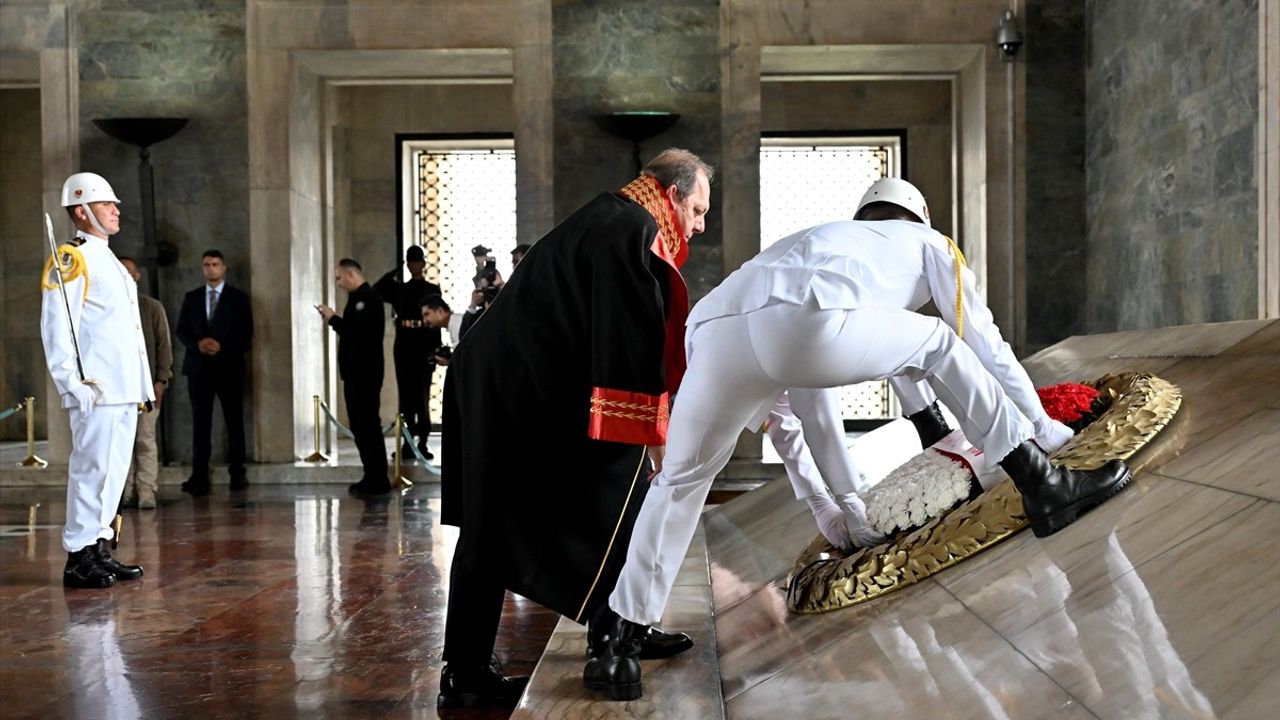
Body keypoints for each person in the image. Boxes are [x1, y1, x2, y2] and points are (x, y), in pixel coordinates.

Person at [589, 177, 1133, 699]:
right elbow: (982, 340)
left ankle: (620, 640)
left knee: (680, 483)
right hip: (803, 318)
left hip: (713, 327)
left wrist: (835, 508)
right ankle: (1043, 484)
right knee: (942, 340)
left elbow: (796, 405)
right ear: (919, 217)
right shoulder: (930, 242)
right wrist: (1042, 425)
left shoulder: (824, 242)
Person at [436, 148, 712, 710]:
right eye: (700, 209)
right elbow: (624, 340)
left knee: (502, 519)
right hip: (513, 390)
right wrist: (655, 439)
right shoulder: (631, 229)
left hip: (509, 381)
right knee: (623, 488)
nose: (701, 225)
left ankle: (619, 627)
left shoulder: (616, 216)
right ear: (674, 193)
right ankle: (602, 643)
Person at [41, 172, 151, 589]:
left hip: (123, 390)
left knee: (112, 474)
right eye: (108, 205)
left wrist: (141, 385)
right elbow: (57, 327)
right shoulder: (72, 258)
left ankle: (99, 547)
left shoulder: (109, 260)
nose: (116, 211)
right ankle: (78, 555)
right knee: (91, 471)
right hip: (96, 388)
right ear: (82, 211)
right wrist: (72, 382)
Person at [175, 249, 253, 495]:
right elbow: (182, 330)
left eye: (215, 264)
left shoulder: (238, 298)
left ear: (224, 267)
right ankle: (199, 475)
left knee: (234, 421)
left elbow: (246, 334)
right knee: (201, 422)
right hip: (199, 369)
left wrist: (222, 346)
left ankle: (237, 473)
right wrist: (198, 344)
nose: (210, 269)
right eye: (206, 265)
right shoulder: (192, 298)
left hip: (228, 368)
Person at [316, 258, 389, 496]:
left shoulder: (369, 299)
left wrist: (333, 319)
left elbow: (357, 334)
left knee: (368, 426)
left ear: (350, 275)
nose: (337, 283)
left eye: (338, 278)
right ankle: (371, 475)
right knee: (360, 426)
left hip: (365, 374)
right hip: (355, 374)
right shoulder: (357, 300)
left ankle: (378, 479)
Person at [373, 245, 443, 460]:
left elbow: (436, 321)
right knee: (406, 396)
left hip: (424, 344)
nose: (414, 265)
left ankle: (422, 441)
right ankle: (407, 441)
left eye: (417, 261)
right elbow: (377, 288)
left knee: (422, 395)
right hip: (404, 345)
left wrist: (436, 350)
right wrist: (396, 268)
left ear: (423, 264)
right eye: (410, 261)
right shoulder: (400, 289)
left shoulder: (432, 289)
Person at [118, 256, 173, 510]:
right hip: (118, 390)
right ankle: (124, 490)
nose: (126, 276)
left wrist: (161, 380)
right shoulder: (108, 308)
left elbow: (164, 347)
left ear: (138, 276)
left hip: (147, 387)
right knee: (121, 444)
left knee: (145, 439)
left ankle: (147, 489)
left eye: (130, 272)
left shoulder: (151, 308)